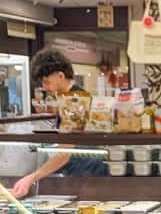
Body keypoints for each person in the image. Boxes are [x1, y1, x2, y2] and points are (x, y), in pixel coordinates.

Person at [12, 49, 105, 198]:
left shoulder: (73, 101)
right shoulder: (72, 97)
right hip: (83, 172)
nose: (44, 87)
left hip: (84, 174)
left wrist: (31, 178)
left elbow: (64, 154)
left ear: (61, 76)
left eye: (46, 82)